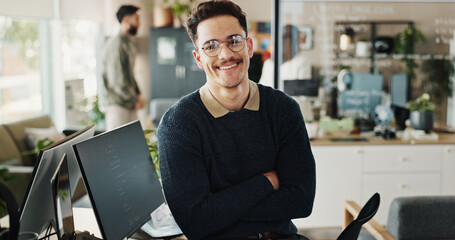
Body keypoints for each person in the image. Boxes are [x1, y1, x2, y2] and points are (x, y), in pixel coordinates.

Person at [157, 1, 316, 239]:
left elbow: (301, 201)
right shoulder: (178, 125)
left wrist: (219, 206)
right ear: (199, 58)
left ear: (249, 46)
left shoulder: (283, 109)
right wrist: (267, 181)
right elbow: (194, 221)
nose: (226, 54)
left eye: (234, 40)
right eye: (210, 46)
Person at [100, 5, 145, 130]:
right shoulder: (117, 45)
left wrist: (139, 94)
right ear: (125, 20)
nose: (139, 23)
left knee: (135, 142)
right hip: (117, 105)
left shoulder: (128, 43)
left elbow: (130, 75)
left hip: (128, 103)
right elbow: (118, 82)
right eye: (136, 19)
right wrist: (136, 99)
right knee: (117, 146)